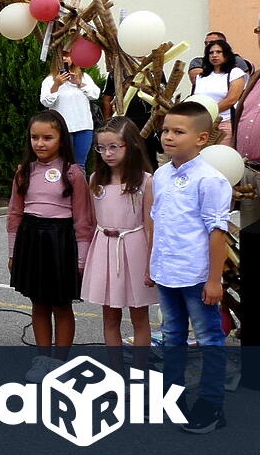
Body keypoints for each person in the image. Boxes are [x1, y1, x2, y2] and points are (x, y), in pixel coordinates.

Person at [150, 101, 231, 433]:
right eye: (166, 130)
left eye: (178, 132)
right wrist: (152, 265)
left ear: (201, 138)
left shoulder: (210, 180)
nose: (168, 137)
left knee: (210, 339)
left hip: (197, 277)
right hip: (167, 273)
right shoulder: (161, 174)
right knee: (172, 337)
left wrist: (214, 280)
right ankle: (173, 400)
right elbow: (160, 222)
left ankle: (212, 406)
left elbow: (217, 232)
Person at [7, 110, 94, 382]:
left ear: (61, 139)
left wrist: (81, 259)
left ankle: (60, 363)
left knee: (61, 304)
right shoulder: (24, 171)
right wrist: (13, 251)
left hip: (61, 241)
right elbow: (14, 215)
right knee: (39, 302)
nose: (40, 143)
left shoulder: (73, 173)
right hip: (31, 239)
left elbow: (83, 219)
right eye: (35, 137)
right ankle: (43, 358)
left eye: (48, 137)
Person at [83, 116, 157, 371]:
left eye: (114, 146)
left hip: (135, 248)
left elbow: (150, 224)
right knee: (110, 315)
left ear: (132, 145)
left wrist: (150, 264)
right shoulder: (95, 180)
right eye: (101, 148)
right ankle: (116, 373)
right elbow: (94, 222)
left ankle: (138, 373)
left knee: (139, 316)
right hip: (105, 249)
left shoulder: (146, 181)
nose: (107, 153)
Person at [40, 48, 100, 166]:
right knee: (63, 164)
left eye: (67, 55)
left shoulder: (84, 77)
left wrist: (79, 83)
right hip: (61, 128)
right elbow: (46, 102)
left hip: (83, 127)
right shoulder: (49, 80)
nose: (64, 58)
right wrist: (56, 85)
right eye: (61, 56)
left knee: (79, 165)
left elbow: (95, 95)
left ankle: (79, 185)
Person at [192, 39, 246, 145]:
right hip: (201, 124)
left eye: (218, 52)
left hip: (224, 122)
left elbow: (231, 100)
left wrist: (208, 112)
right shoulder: (201, 76)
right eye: (211, 53)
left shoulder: (235, 73)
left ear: (226, 54)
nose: (214, 55)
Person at [188, 30, 252, 83]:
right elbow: (197, 81)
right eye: (206, 43)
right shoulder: (198, 61)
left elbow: (246, 83)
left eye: (211, 42)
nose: (208, 45)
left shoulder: (237, 60)